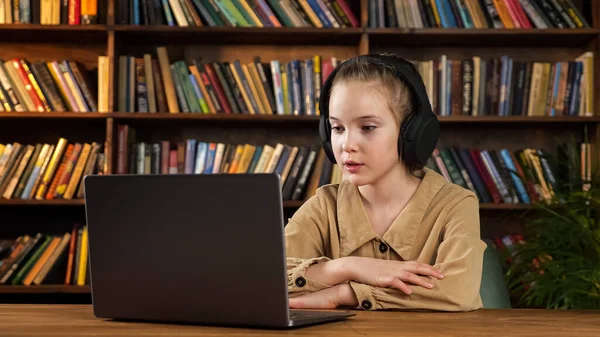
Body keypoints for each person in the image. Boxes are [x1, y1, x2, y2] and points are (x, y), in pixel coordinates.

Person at [284, 53, 486, 312]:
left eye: (367, 127)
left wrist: (346, 293)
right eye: (337, 128)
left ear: (411, 133)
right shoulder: (324, 206)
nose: (347, 145)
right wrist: (349, 266)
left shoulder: (455, 204)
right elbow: (265, 280)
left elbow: (458, 292)